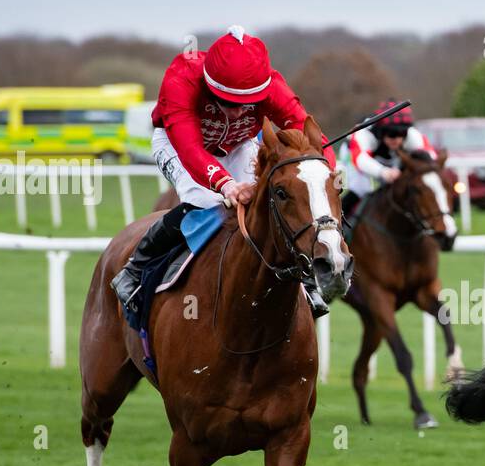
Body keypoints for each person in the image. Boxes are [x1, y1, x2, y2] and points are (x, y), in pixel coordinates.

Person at [110, 25, 337, 318]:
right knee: (206, 202)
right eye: (228, 102)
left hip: (239, 145)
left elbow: (306, 131)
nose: (237, 112)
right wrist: (226, 184)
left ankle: (304, 282)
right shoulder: (181, 79)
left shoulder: (274, 88)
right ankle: (135, 268)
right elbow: (190, 148)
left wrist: (324, 169)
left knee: (266, 203)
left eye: (247, 104)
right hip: (179, 144)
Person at [339, 100, 436, 222]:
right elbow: (360, 160)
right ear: (381, 131)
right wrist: (383, 172)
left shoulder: (412, 135)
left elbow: (430, 157)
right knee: (361, 188)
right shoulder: (365, 134)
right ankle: (340, 222)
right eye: (390, 133)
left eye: (401, 133)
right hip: (353, 155)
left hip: (389, 158)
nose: (396, 138)